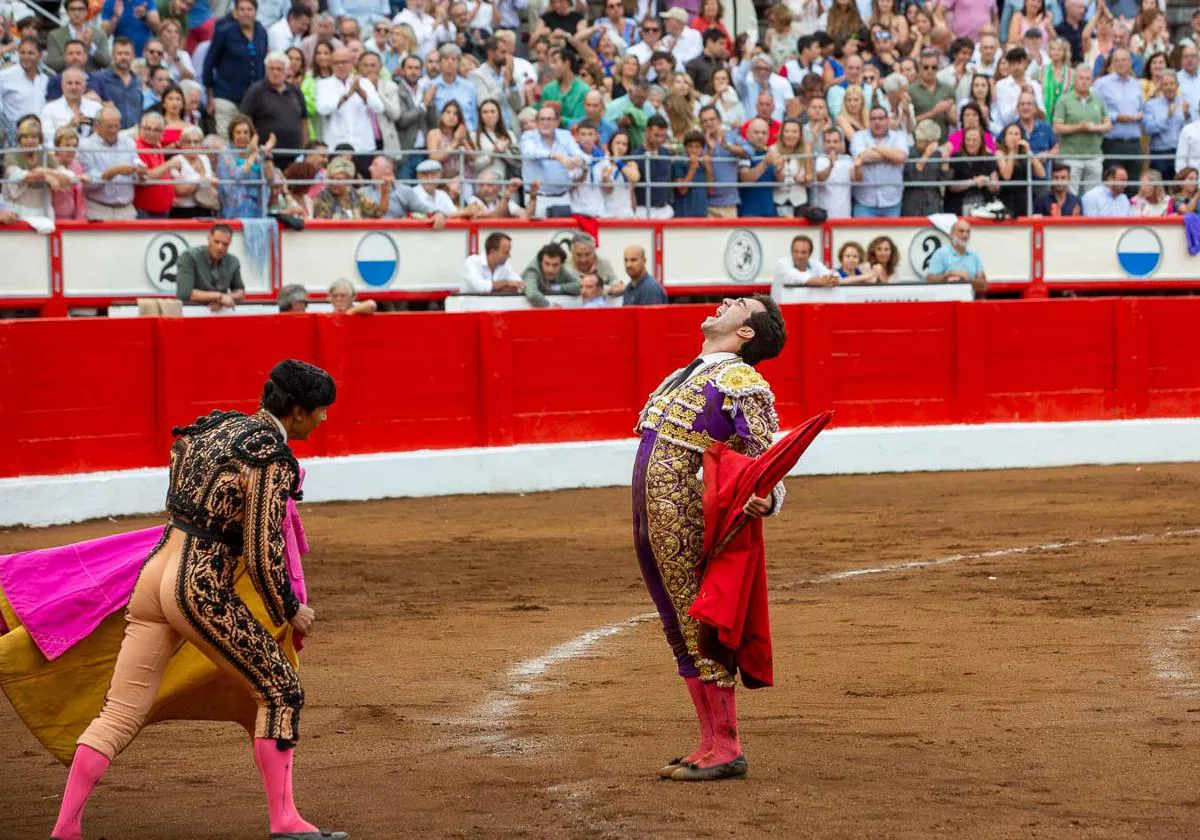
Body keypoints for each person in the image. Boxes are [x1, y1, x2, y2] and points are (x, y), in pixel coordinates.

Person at [47, 359, 345, 840]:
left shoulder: (216, 428)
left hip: (155, 573)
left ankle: (66, 827)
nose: (324, 419)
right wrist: (289, 609)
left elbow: (178, 478)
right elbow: (261, 549)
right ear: (296, 410)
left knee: (119, 712)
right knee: (281, 689)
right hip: (197, 586)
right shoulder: (269, 455)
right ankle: (285, 821)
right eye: (320, 411)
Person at [632, 294, 787, 782]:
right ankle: (708, 741)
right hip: (655, 518)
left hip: (689, 518)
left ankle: (727, 745)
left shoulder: (739, 379)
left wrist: (770, 498)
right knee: (678, 628)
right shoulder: (691, 373)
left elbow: (769, 461)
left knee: (699, 625)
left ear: (746, 333)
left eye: (738, 304)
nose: (724, 301)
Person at [204, 0, 270, 141]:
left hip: (252, 98)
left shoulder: (262, 33)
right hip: (226, 94)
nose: (245, 13)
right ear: (236, 12)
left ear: (255, 12)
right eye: (242, 9)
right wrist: (209, 93)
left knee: (248, 139)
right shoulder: (225, 32)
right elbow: (210, 62)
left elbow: (262, 62)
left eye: (249, 9)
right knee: (226, 137)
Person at [78, 105, 143, 220]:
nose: (113, 130)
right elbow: (88, 184)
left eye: (116, 126)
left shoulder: (129, 143)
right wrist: (113, 172)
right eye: (109, 127)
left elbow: (137, 169)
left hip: (127, 211)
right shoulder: (85, 146)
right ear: (96, 126)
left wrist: (140, 172)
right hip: (98, 211)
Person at [849, 106, 910, 217]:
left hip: (892, 201)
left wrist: (875, 148)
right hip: (865, 202)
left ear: (887, 120)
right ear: (869, 121)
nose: (877, 122)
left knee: (892, 235)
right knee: (863, 235)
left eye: (881, 118)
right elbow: (862, 156)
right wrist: (891, 156)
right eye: (873, 119)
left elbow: (901, 157)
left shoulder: (899, 136)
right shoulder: (859, 136)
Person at [174, 224, 247, 311]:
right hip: (192, 312)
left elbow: (240, 292)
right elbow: (185, 293)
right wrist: (219, 296)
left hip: (219, 313)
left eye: (225, 244)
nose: (220, 247)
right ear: (209, 238)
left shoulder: (233, 261)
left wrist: (224, 298)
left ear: (229, 244)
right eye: (216, 242)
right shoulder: (189, 257)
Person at [926, 217, 988, 295]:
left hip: (969, 302)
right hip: (946, 301)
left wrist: (966, 281)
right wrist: (950, 274)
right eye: (961, 231)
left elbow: (984, 285)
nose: (965, 235)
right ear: (952, 234)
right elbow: (930, 280)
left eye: (968, 232)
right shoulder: (941, 254)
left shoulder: (974, 256)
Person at [46, 0, 111, 73]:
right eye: (73, 9)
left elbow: (107, 62)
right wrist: (72, 53)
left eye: (80, 9)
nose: (77, 13)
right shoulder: (55, 35)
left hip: (92, 81)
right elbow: (52, 63)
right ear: (67, 12)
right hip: (65, 81)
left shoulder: (99, 34)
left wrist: (91, 47)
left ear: (86, 11)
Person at [771, 234, 839, 299]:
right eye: (796, 251)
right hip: (779, 309)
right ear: (791, 251)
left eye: (803, 252)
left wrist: (832, 279)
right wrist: (821, 281)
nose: (799, 256)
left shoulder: (815, 263)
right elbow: (797, 277)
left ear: (810, 253)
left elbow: (831, 275)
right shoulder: (782, 264)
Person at [521, 242, 580, 309]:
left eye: (555, 265)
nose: (550, 270)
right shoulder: (532, 271)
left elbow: (580, 286)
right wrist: (550, 307)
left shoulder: (562, 270)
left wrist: (557, 287)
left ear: (562, 264)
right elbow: (532, 294)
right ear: (540, 262)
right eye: (547, 264)